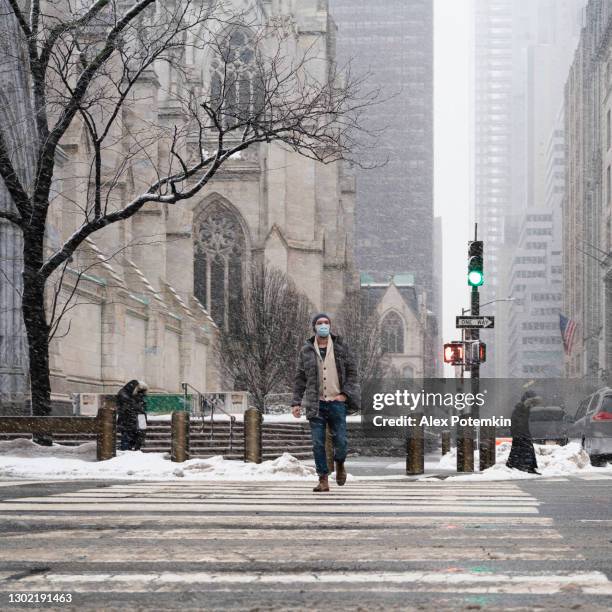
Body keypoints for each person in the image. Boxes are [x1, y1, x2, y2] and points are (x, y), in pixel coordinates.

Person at [292, 313, 361, 492]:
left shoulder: (341, 347)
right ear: (314, 327)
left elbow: (352, 373)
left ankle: (340, 464)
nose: (323, 325)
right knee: (317, 443)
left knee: (341, 441)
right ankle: (323, 479)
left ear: (330, 325)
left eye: (326, 323)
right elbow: (300, 377)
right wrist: (296, 402)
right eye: (320, 323)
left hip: (337, 403)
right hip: (316, 404)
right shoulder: (306, 349)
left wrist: (345, 394)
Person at [506, 389, 541, 474]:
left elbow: (519, 421)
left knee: (518, 449)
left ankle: (513, 464)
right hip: (520, 432)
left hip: (519, 432)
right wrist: (522, 432)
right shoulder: (522, 407)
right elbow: (518, 421)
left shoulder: (523, 407)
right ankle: (528, 467)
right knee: (527, 449)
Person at [116, 380, 149, 451]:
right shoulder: (125, 397)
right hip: (129, 424)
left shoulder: (135, 398)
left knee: (132, 442)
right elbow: (126, 410)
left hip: (134, 423)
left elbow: (141, 413)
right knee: (127, 443)